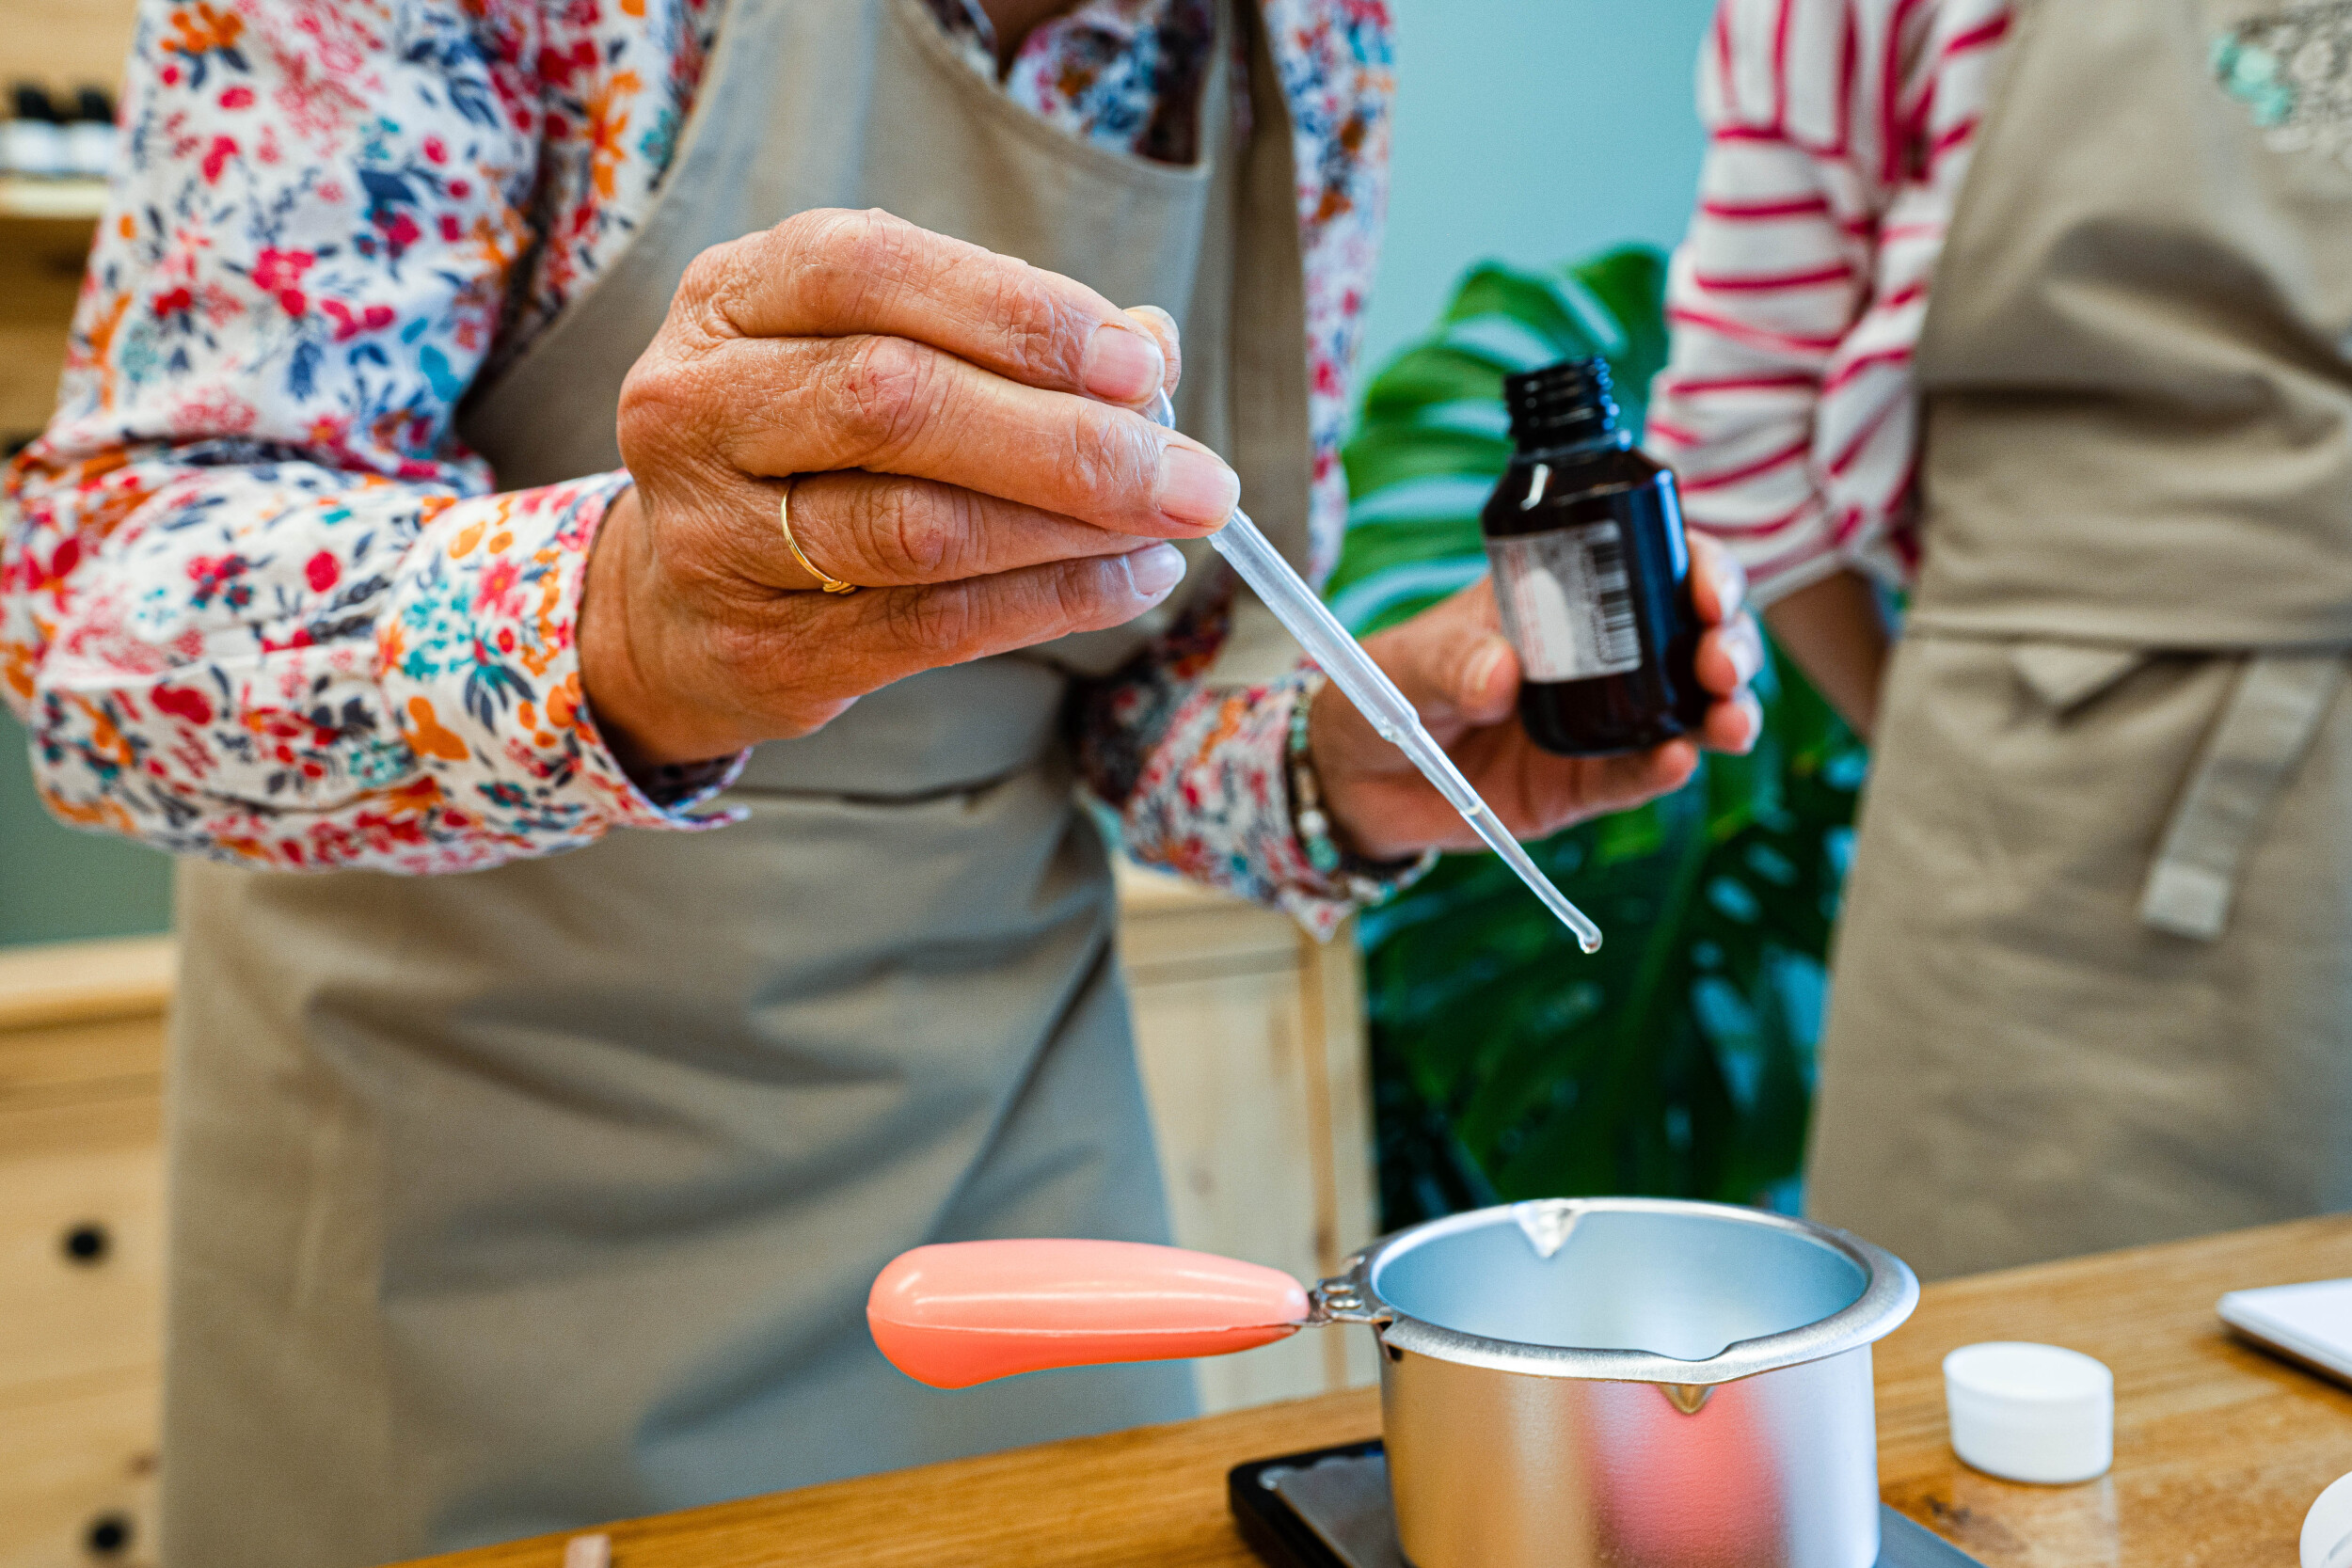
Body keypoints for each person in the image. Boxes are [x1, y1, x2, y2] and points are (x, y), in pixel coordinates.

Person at [2, 1, 1762, 1564]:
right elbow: (101, 626)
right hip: (461, 1227)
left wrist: (1344, 761)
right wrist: (625, 620)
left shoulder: (1305, 46)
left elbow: (1131, 690)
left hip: (1011, 1197)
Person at [1652, 0, 2352, 1281]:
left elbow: (1738, 436)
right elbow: (1737, 443)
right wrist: (1927, 728)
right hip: (2059, 845)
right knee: (2014, 1424)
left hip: (2037, 751)